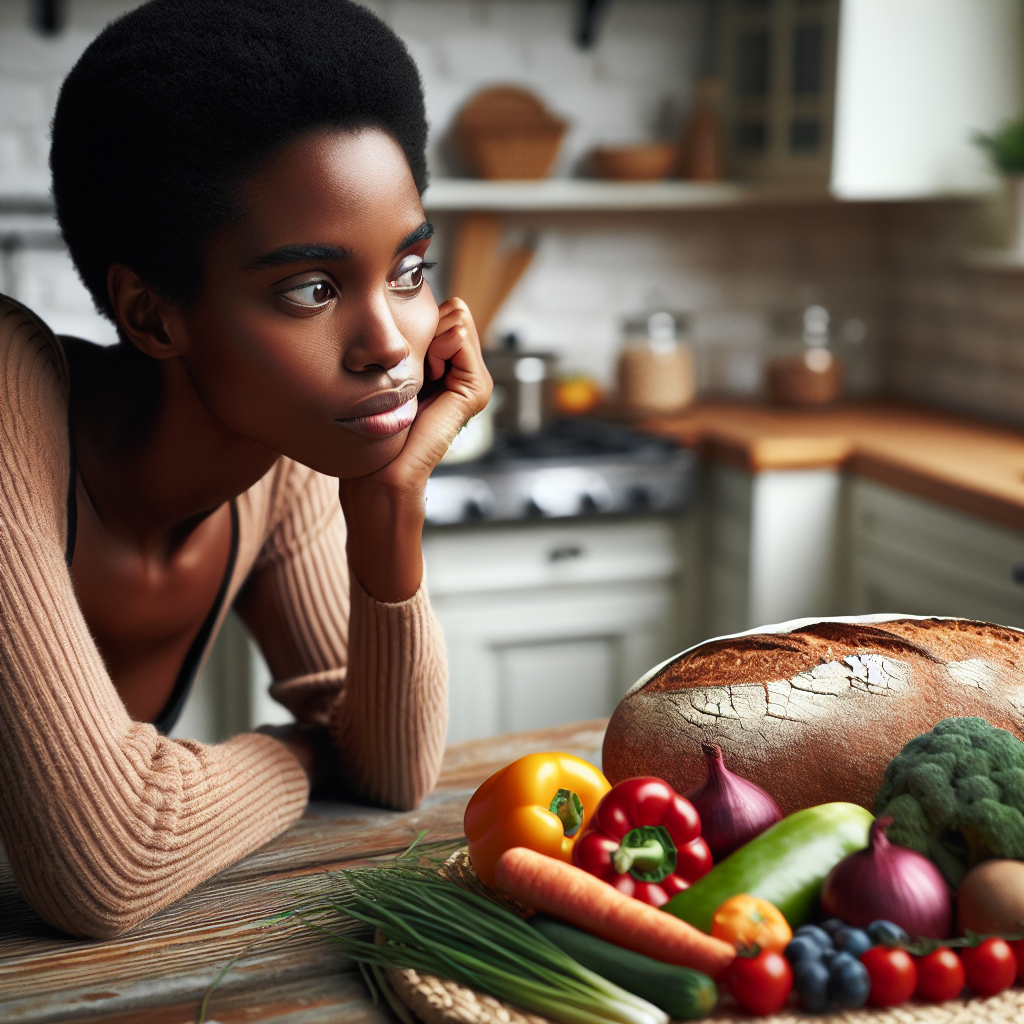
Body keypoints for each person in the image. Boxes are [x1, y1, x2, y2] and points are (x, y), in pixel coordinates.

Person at [0, 0, 490, 939]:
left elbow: (390, 773)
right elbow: (111, 863)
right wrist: (306, 753)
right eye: (310, 288)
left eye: (409, 270)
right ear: (152, 316)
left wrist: (389, 510)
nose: (388, 346)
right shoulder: (12, 393)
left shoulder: (289, 450)